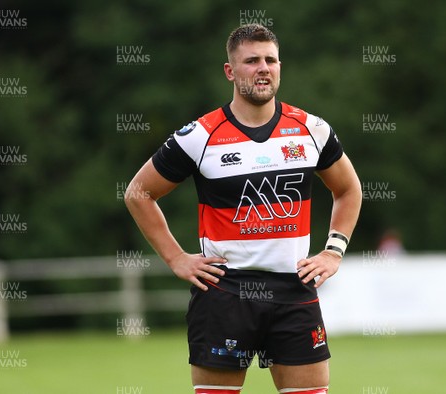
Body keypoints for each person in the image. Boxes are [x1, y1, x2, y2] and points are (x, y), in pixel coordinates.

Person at [124, 24, 362, 394]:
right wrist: (175, 258)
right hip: (225, 293)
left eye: (271, 60)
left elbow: (348, 189)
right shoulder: (201, 136)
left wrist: (333, 251)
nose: (263, 68)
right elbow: (138, 193)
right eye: (251, 61)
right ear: (230, 71)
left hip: (294, 289)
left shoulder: (310, 130)